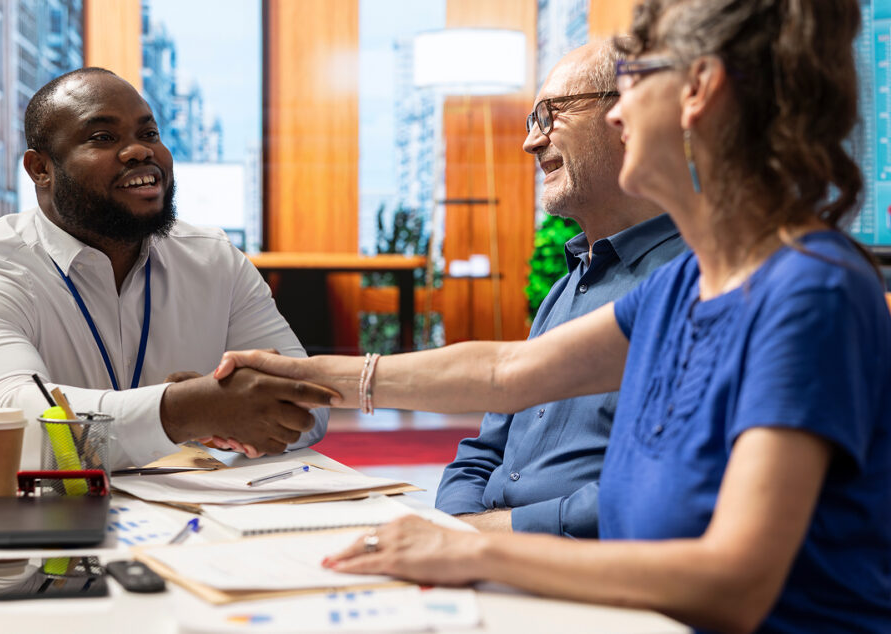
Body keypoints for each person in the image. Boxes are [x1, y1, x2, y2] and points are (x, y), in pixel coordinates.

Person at [215, 0, 891, 630]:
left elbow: (734, 582)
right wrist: (294, 375)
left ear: (698, 90)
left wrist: (471, 549)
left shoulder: (812, 289)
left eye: (632, 79)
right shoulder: (689, 280)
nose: (619, 113)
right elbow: (509, 371)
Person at [0, 68, 334, 470]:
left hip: (204, 519)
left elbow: (308, 407)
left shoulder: (215, 260)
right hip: (58, 523)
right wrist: (184, 412)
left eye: (149, 134)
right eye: (103, 138)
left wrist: (230, 412)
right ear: (41, 169)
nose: (140, 151)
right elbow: (6, 427)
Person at [435, 40, 684, 536]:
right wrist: (459, 525)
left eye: (550, 114)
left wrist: (495, 535)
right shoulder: (565, 287)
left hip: (583, 568)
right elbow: (483, 449)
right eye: (532, 120)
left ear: (627, 118)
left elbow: (657, 489)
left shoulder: (689, 283)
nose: (530, 142)